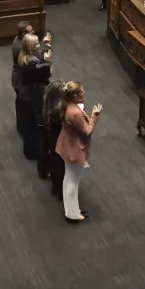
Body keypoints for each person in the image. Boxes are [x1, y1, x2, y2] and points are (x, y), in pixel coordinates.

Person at [56, 81, 102, 224]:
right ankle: (73, 214)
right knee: (73, 182)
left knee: (68, 178)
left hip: (67, 145)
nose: (84, 93)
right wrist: (94, 116)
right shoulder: (75, 113)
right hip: (75, 150)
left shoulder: (67, 106)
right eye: (82, 91)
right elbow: (87, 131)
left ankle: (70, 208)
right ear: (76, 96)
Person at [16, 34, 52, 161]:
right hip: (32, 96)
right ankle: (33, 152)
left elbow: (41, 56)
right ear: (31, 47)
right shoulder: (31, 63)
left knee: (31, 123)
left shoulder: (25, 57)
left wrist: (47, 45)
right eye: (36, 44)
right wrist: (48, 62)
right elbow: (46, 70)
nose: (38, 46)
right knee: (33, 124)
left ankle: (31, 150)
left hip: (28, 94)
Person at [43, 80, 67, 195]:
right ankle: (59, 189)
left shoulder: (48, 104)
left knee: (55, 162)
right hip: (59, 140)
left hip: (52, 139)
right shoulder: (58, 112)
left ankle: (55, 186)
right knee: (60, 166)